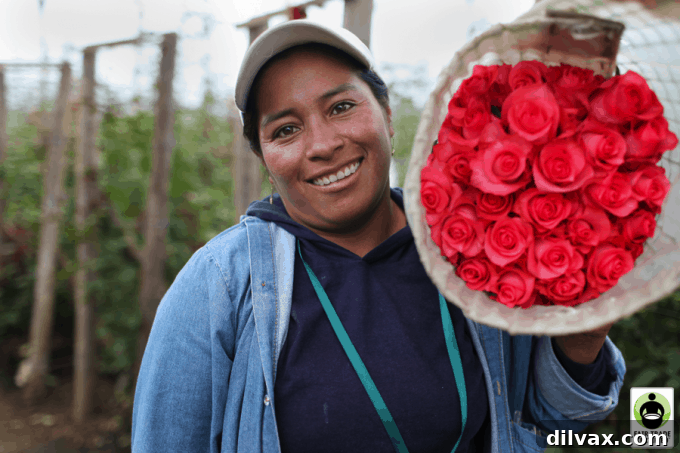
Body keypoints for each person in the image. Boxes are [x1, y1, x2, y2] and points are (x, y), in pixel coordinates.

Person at [131, 20, 626, 453]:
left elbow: (555, 425)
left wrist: (581, 343)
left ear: (387, 115)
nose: (323, 144)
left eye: (342, 106)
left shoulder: (473, 252)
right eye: (285, 130)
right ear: (264, 158)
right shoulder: (219, 284)